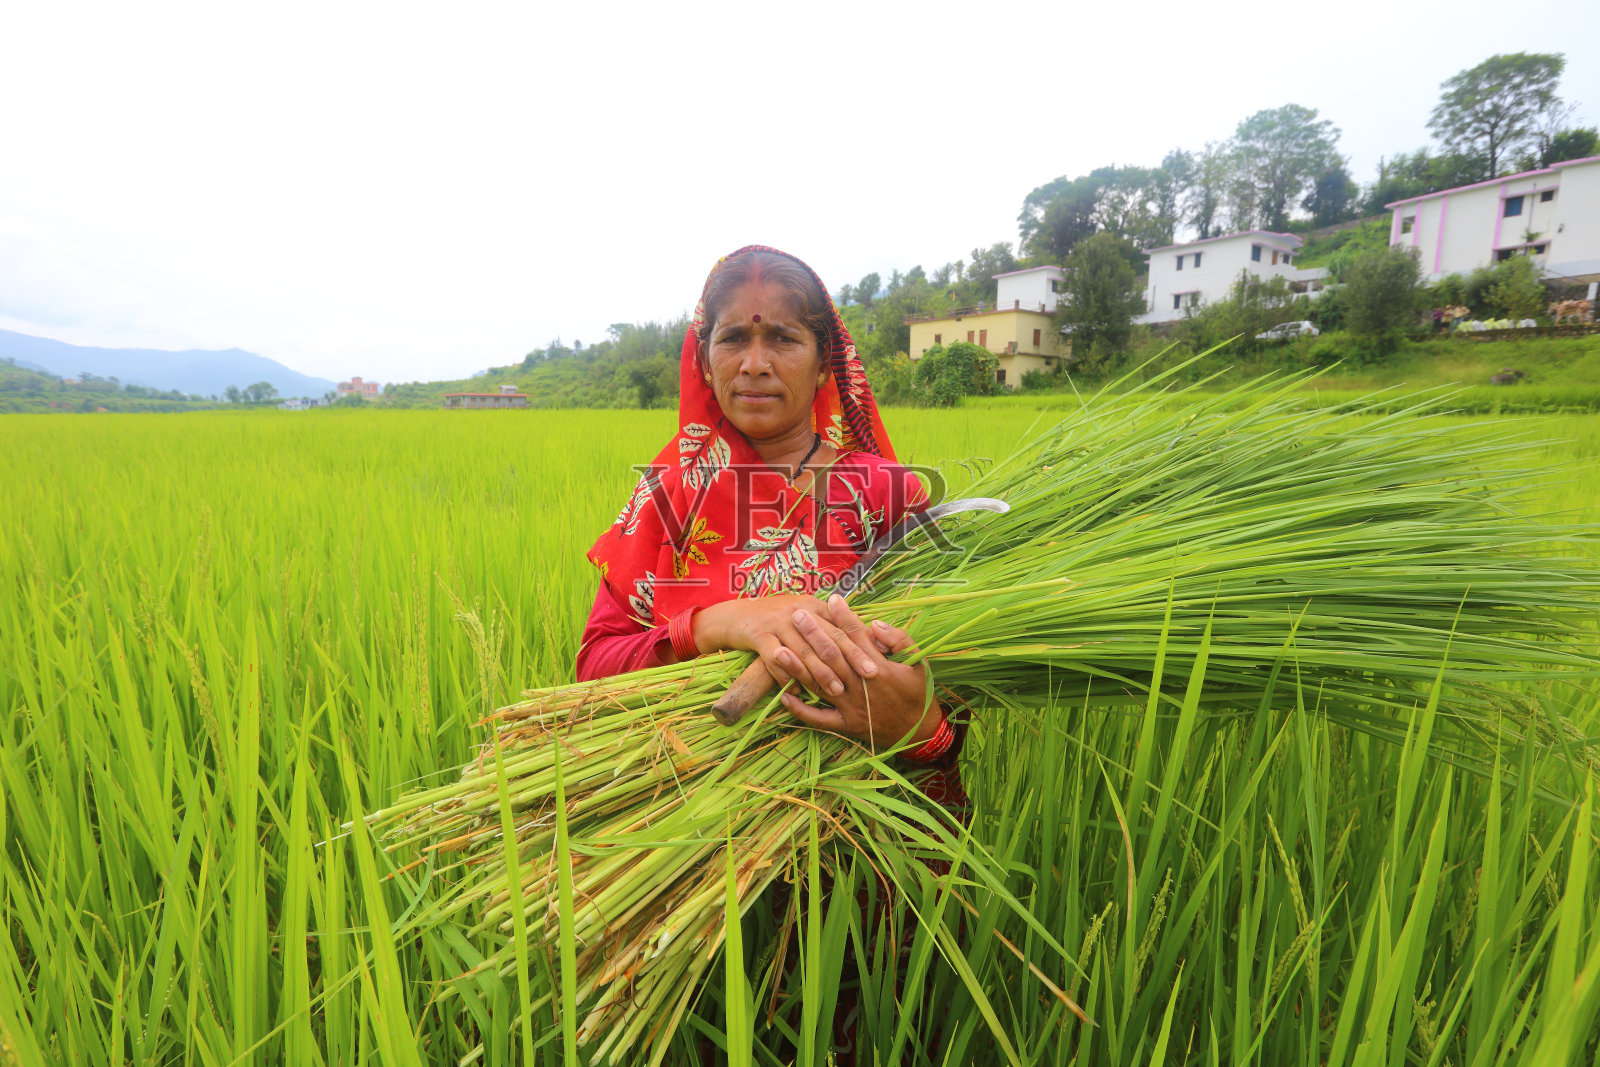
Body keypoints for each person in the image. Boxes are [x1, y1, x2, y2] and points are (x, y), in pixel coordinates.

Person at [578, 245, 960, 768]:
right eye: (733, 338)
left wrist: (922, 732)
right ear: (704, 362)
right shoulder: (670, 492)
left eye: (783, 338)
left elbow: (951, 676)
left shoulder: (885, 494)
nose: (755, 365)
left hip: (856, 797)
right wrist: (715, 624)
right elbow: (593, 668)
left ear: (824, 363)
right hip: (681, 795)